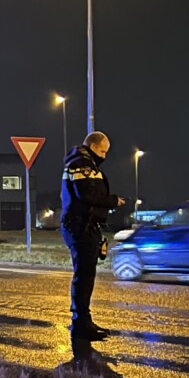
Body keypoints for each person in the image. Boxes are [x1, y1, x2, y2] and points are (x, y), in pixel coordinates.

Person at [60, 131, 125, 341]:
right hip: (80, 225)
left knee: (86, 276)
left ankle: (83, 320)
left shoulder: (81, 161)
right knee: (84, 276)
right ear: (94, 147)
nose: (104, 156)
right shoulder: (81, 163)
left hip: (84, 224)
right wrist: (112, 201)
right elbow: (87, 194)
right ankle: (80, 324)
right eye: (103, 151)